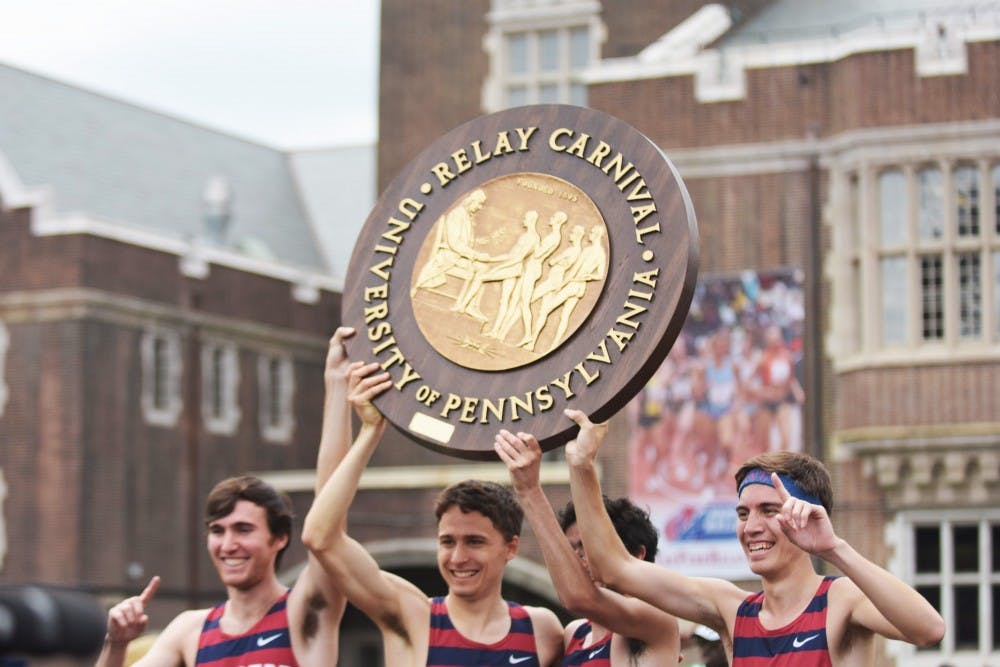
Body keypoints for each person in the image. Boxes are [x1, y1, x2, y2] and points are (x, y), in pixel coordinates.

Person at [562, 409, 946, 665]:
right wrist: (582, 468)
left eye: (770, 511)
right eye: (743, 513)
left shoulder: (840, 598)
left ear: (808, 516)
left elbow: (928, 630)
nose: (752, 527)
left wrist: (834, 548)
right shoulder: (732, 609)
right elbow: (615, 568)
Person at [96, 327, 361, 667]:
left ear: (279, 538)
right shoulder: (190, 630)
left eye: (243, 529)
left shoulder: (306, 610)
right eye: (218, 531)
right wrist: (116, 643)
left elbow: (330, 510)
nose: (228, 544)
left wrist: (337, 383)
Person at [301, 362, 564, 666]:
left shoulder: (541, 630)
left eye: (474, 541)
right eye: (447, 541)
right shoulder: (412, 615)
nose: (458, 557)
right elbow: (319, 536)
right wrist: (370, 433)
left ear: (511, 547)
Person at [494, 428, 681, 665]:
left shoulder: (654, 620)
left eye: (587, 549)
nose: (578, 562)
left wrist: (530, 491)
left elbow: (579, 597)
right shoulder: (575, 633)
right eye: (573, 551)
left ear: (637, 554)